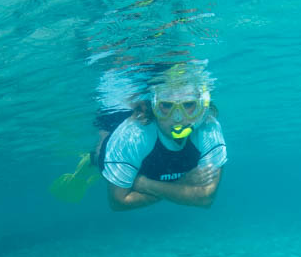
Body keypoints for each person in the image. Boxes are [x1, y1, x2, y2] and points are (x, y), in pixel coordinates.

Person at [96, 67, 227, 212]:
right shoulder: (133, 134)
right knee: (99, 153)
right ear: (153, 106)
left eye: (189, 105)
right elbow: (118, 203)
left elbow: (206, 199)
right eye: (166, 105)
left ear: (202, 106)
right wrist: (183, 183)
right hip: (119, 137)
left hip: (147, 173)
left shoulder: (209, 128)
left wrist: (145, 184)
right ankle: (92, 157)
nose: (178, 117)